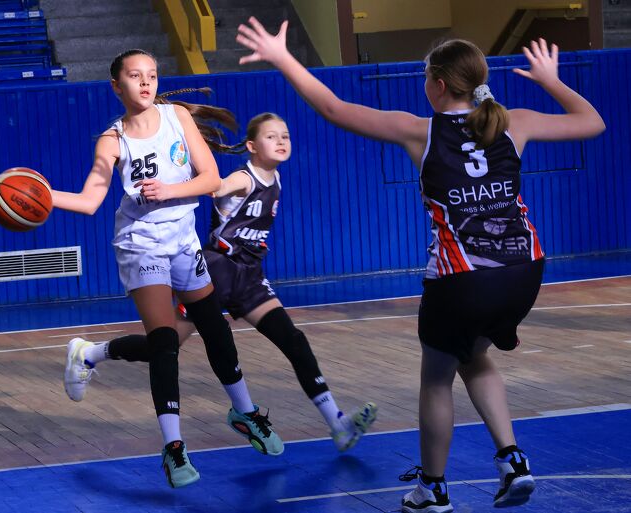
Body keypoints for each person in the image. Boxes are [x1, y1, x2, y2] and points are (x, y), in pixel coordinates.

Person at [235, 19, 605, 513]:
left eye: (426, 77)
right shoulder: (514, 122)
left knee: (436, 379)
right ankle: (512, 460)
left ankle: (432, 489)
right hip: (525, 270)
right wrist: (552, 81)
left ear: (439, 84)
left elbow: (333, 108)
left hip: (463, 277)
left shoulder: (421, 131)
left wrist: (283, 57)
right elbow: (593, 122)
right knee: (475, 355)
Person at [67, 112, 378, 452]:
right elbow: (216, 185)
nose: (281, 141)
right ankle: (91, 353)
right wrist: (197, 184)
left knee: (293, 340)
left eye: (285, 135)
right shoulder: (243, 179)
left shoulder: (275, 179)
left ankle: (337, 423)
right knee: (164, 347)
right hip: (217, 271)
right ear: (252, 146)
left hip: (249, 276)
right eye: (271, 136)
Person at [51, 48, 283, 489]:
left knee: (215, 329)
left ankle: (245, 412)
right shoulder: (113, 140)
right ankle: (174, 447)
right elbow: (90, 200)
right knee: (164, 343)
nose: (145, 82)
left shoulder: (177, 117)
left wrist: (169, 191)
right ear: (116, 86)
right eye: (135, 76)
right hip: (140, 245)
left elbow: (211, 178)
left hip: (182, 239)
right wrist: (44, 195)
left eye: (152, 75)